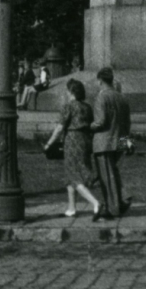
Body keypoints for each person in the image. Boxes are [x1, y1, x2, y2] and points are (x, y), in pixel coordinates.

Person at [43, 78, 103, 220]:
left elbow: (60, 127)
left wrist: (49, 144)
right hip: (85, 141)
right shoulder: (87, 107)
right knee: (71, 174)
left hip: (72, 141)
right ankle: (71, 208)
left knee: (74, 176)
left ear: (71, 92)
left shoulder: (68, 106)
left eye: (67, 90)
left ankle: (96, 203)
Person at [90, 67, 132, 218]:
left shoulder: (102, 97)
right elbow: (127, 122)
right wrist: (126, 143)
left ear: (100, 80)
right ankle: (123, 198)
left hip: (103, 142)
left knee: (106, 176)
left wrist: (90, 125)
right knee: (113, 172)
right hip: (119, 140)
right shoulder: (121, 97)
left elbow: (100, 122)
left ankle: (113, 208)